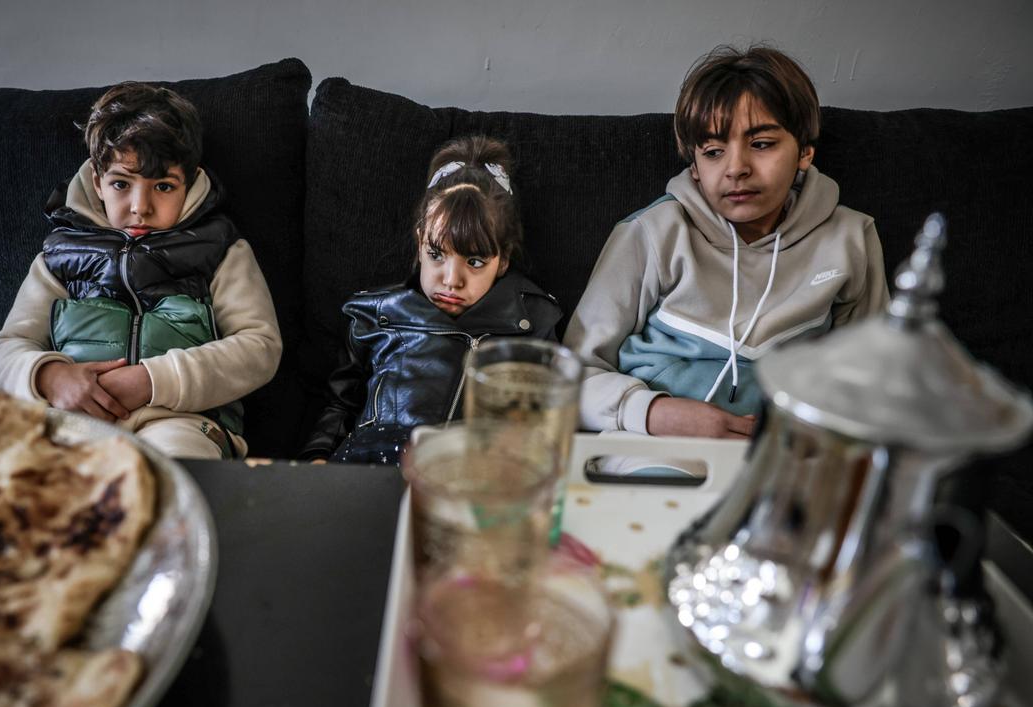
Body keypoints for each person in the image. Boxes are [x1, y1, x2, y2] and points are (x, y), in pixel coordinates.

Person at [564, 44, 889, 439]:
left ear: (804, 151)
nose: (736, 169)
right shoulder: (651, 233)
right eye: (714, 152)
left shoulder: (852, 238)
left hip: (785, 453)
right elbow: (570, 377)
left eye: (762, 144)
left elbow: (876, 380)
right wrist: (656, 413)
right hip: (654, 442)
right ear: (696, 167)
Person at [0, 82, 282, 459]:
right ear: (97, 182)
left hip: (181, 420)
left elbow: (260, 347)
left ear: (190, 182)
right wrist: (49, 376)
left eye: (162, 186)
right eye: (121, 184)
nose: (140, 207)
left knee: (176, 475)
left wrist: (152, 381)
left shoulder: (222, 249)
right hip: (75, 418)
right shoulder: (60, 255)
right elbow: (8, 345)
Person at [299, 135, 561, 464]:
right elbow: (341, 405)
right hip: (374, 463)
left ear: (503, 260)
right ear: (420, 241)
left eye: (475, 262)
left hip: (474, 470)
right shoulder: (374, 313)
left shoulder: (532, 317)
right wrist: (318, 455)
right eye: (436, 254)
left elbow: (546, 418)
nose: (451, 280)